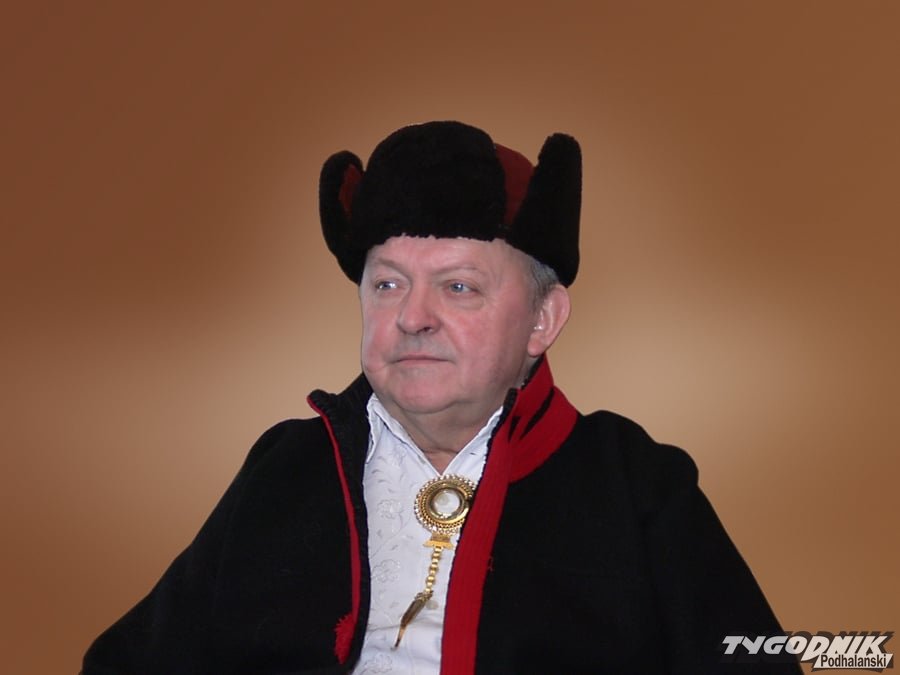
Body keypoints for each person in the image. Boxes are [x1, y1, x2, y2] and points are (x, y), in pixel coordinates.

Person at [83, 121, 799, 674]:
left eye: (458, 286)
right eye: (387, 283)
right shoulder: (285, 465)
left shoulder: (634, 481)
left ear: (542, 319)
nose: (412, 316)